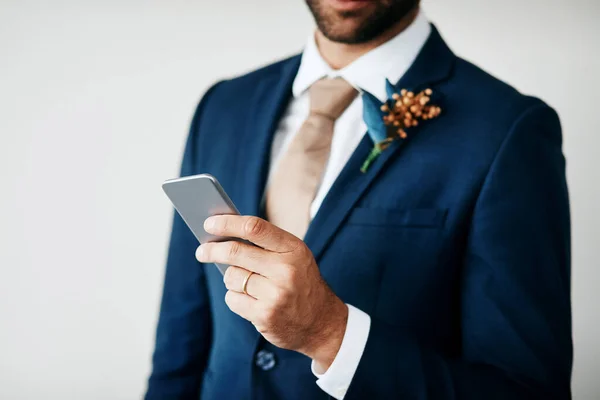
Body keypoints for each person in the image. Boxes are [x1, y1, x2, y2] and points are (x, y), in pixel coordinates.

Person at [145, 0, 572, 399]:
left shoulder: (508, 130)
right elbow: (180, 347)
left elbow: (527, 388)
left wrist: (329, 333)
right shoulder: (223, 106)